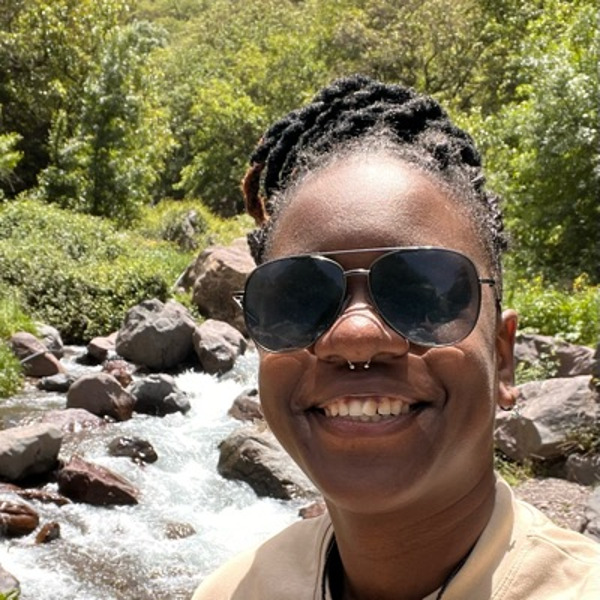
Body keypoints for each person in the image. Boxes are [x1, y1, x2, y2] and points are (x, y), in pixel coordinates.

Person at [192, 75, 600, 600]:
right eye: (298, 296)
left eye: (422, 292)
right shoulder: (232, 592)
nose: (355, 335)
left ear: (503, 357)